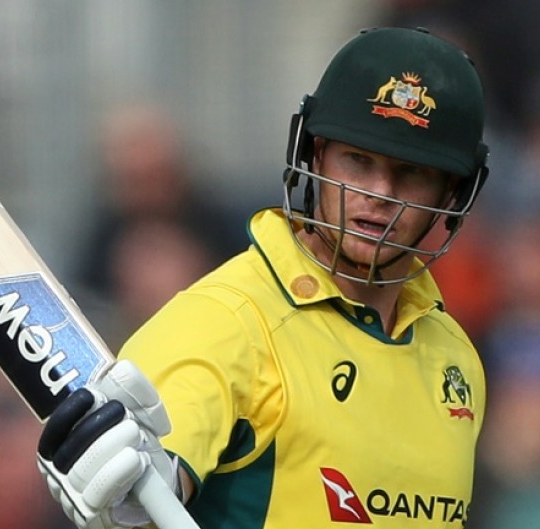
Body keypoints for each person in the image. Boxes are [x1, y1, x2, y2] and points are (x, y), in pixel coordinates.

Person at [36, 27, 491, 528]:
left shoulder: (455, 358)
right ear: (313, 153)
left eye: (412, 172)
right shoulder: (225, 322)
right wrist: (134, 496)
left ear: (453, 193)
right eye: (358, 160)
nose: (379, 192)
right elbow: (146, 484)